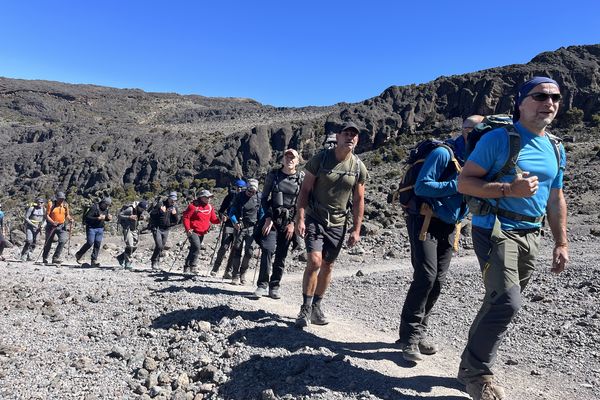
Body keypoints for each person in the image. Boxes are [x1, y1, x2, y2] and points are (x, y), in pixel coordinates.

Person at [456, 77, 568, 400]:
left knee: (497, 301)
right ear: (521, 102)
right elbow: (465, 183)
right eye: (541, 96)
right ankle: (478, 376)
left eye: (556, 97)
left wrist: (561, 241)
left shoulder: (556, 148)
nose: (550, 102)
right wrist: (508, 189)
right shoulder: (498, 139)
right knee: (507, 300)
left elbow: (555, 198)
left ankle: (468, 365)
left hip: (532, 233)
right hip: (495, 228)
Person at [396, 135, 469, 362]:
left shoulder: (473, 160)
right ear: (467, 132)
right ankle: (409, 337)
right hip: (426, 220)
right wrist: (458, 185)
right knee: (426, 276)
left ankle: (419, 333)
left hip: (448, 225)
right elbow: (422, 186)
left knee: (438, 280)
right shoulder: (443, 154)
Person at [294, 122, 368, 328]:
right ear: (338, 136)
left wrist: (356, 228)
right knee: (315, 262)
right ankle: (305, 308)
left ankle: (317, 306)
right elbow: (305, 190)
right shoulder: (322, 159)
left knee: (328, 265)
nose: (350, 138)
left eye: (354, 135)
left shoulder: (358, 166)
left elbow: (359, 199)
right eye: (346, 134)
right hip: (315, 218)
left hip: (338, 222)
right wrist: (300, 217)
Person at [254, 148, 304, 299]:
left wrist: (294, 224)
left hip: (289, 223)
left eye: (293, 157)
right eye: (287, 156)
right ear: (282, 159)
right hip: (272, 220)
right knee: (268, 250)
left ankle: (274, 286)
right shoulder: (273, 175)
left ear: (297, 160)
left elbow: (304, 203)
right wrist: (268, 218)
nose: (289, 159)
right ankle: (262, 285)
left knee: (281, 255)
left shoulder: (301, 178)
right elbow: (263, 199)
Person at [228, 178, 263, 285]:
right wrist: (234, 222)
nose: (251, 193)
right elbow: (232, 211)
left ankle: (243, 273)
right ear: (246, 188)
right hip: (240, 227)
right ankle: (235, 275)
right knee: (237, 250)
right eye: (249, 191)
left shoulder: (259, 197)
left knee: (249, 252)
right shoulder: (239, 196)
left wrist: (261, 225)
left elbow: (261, 213)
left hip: (253, 228)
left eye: (253, 192)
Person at [210, 179, 247, 278]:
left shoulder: (247, 198)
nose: (239, 189)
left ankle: (228, 271)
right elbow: (221, 210)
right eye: (237, 187)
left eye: (241, 188)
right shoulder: (230, 196)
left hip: (240, 227)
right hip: (229, 224)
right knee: (224, 246)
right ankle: (215, 269)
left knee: (235, 248)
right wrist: (223, 216)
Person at [182, 189, 220, 274]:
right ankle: (193, 266)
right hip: (193, 231)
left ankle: (186, 267)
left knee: (193, 248)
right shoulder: (193, 206)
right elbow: (186, 218)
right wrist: (188, 229)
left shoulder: (210, 207)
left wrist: (220, 219)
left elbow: (213, 220)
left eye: (210, 197)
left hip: (202, 232)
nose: (209, 199)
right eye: (207, 197)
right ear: (201, 197)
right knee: (197, 247)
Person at [75, 197, 113, 267]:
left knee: (97, 244)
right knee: (90, 242)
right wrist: (97, 218)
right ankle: (79, 254)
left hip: (100, 228)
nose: (107, 206)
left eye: (108, 205)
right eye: (106, 204)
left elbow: (105, 218)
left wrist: (108, 218)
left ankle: (94, 260)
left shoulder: (106, 209)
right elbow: (88, 217)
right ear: (103, 202)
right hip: (91, 227)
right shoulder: (94, 207)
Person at [149, 192, 180, 270]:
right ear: (169, 198)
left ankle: (157, 261)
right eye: (172, 200)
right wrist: (160, 211)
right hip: (157, 228)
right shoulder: (161, 204)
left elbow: (176, 221)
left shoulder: (174, 208)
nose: (173, 201)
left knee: (161, 247)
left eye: (175, 200)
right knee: (159, 245)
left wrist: (175, 214)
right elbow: (152, 214)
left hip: (166, 229)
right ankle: (154, 261)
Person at [42, 191, 73, 265]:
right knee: (48, 242)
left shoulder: (65, 205)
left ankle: (55, 258)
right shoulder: (51, 204)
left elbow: (67, 215)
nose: (61, 200)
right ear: (56, 198)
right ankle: (45, 257)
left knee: (63, 240)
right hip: (51, 226)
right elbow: (47, 215)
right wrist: (52, 222)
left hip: (61, 226)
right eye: (60, 198)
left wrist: (70, 219)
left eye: (62, 198)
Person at [116, 200, 148, 269]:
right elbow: (120, 215)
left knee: (134, 246)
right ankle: (127, 263)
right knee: (130, 245)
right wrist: (129, 217)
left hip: (135, 229)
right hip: (127, 228)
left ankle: (121, 257)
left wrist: (141, 218)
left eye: (144, 209)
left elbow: (137, 218)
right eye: (142, 209)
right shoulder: (130, 209)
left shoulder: (140, 211)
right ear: (139, 206)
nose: (143, 210)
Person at [21, 197, 46, 261]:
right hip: (30, 226)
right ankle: (24, 254)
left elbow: (45, 219)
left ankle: (30, 254)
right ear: (36, 202)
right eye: (38, 202)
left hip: (38, 228)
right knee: (29, 241)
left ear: (43, 203)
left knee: (35, 241)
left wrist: (43, 225)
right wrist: (33, 225)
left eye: (41, 202)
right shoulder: (32, 208)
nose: (40, 203)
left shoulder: (44, 209)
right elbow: (26, 218)